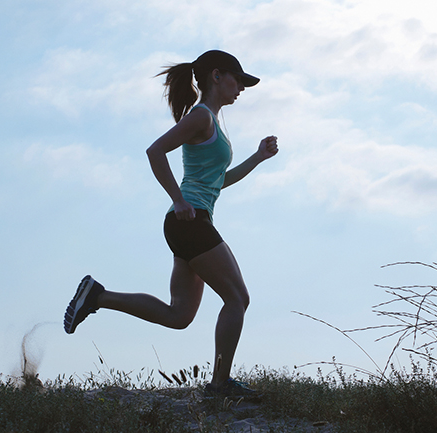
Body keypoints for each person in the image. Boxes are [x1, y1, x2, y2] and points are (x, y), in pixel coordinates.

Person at [63, 50, 278, 396]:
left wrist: (258, 157)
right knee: (238, 298)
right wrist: (178, 199)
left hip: (188, 223)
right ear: (216, 76)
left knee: (179, 315)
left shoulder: (211, 123)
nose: (241, 88)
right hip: (189, 221)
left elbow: (218, 182)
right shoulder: (201, 118)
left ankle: (98, 296)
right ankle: (220, 385)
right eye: (238, 80)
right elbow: (155, 151)